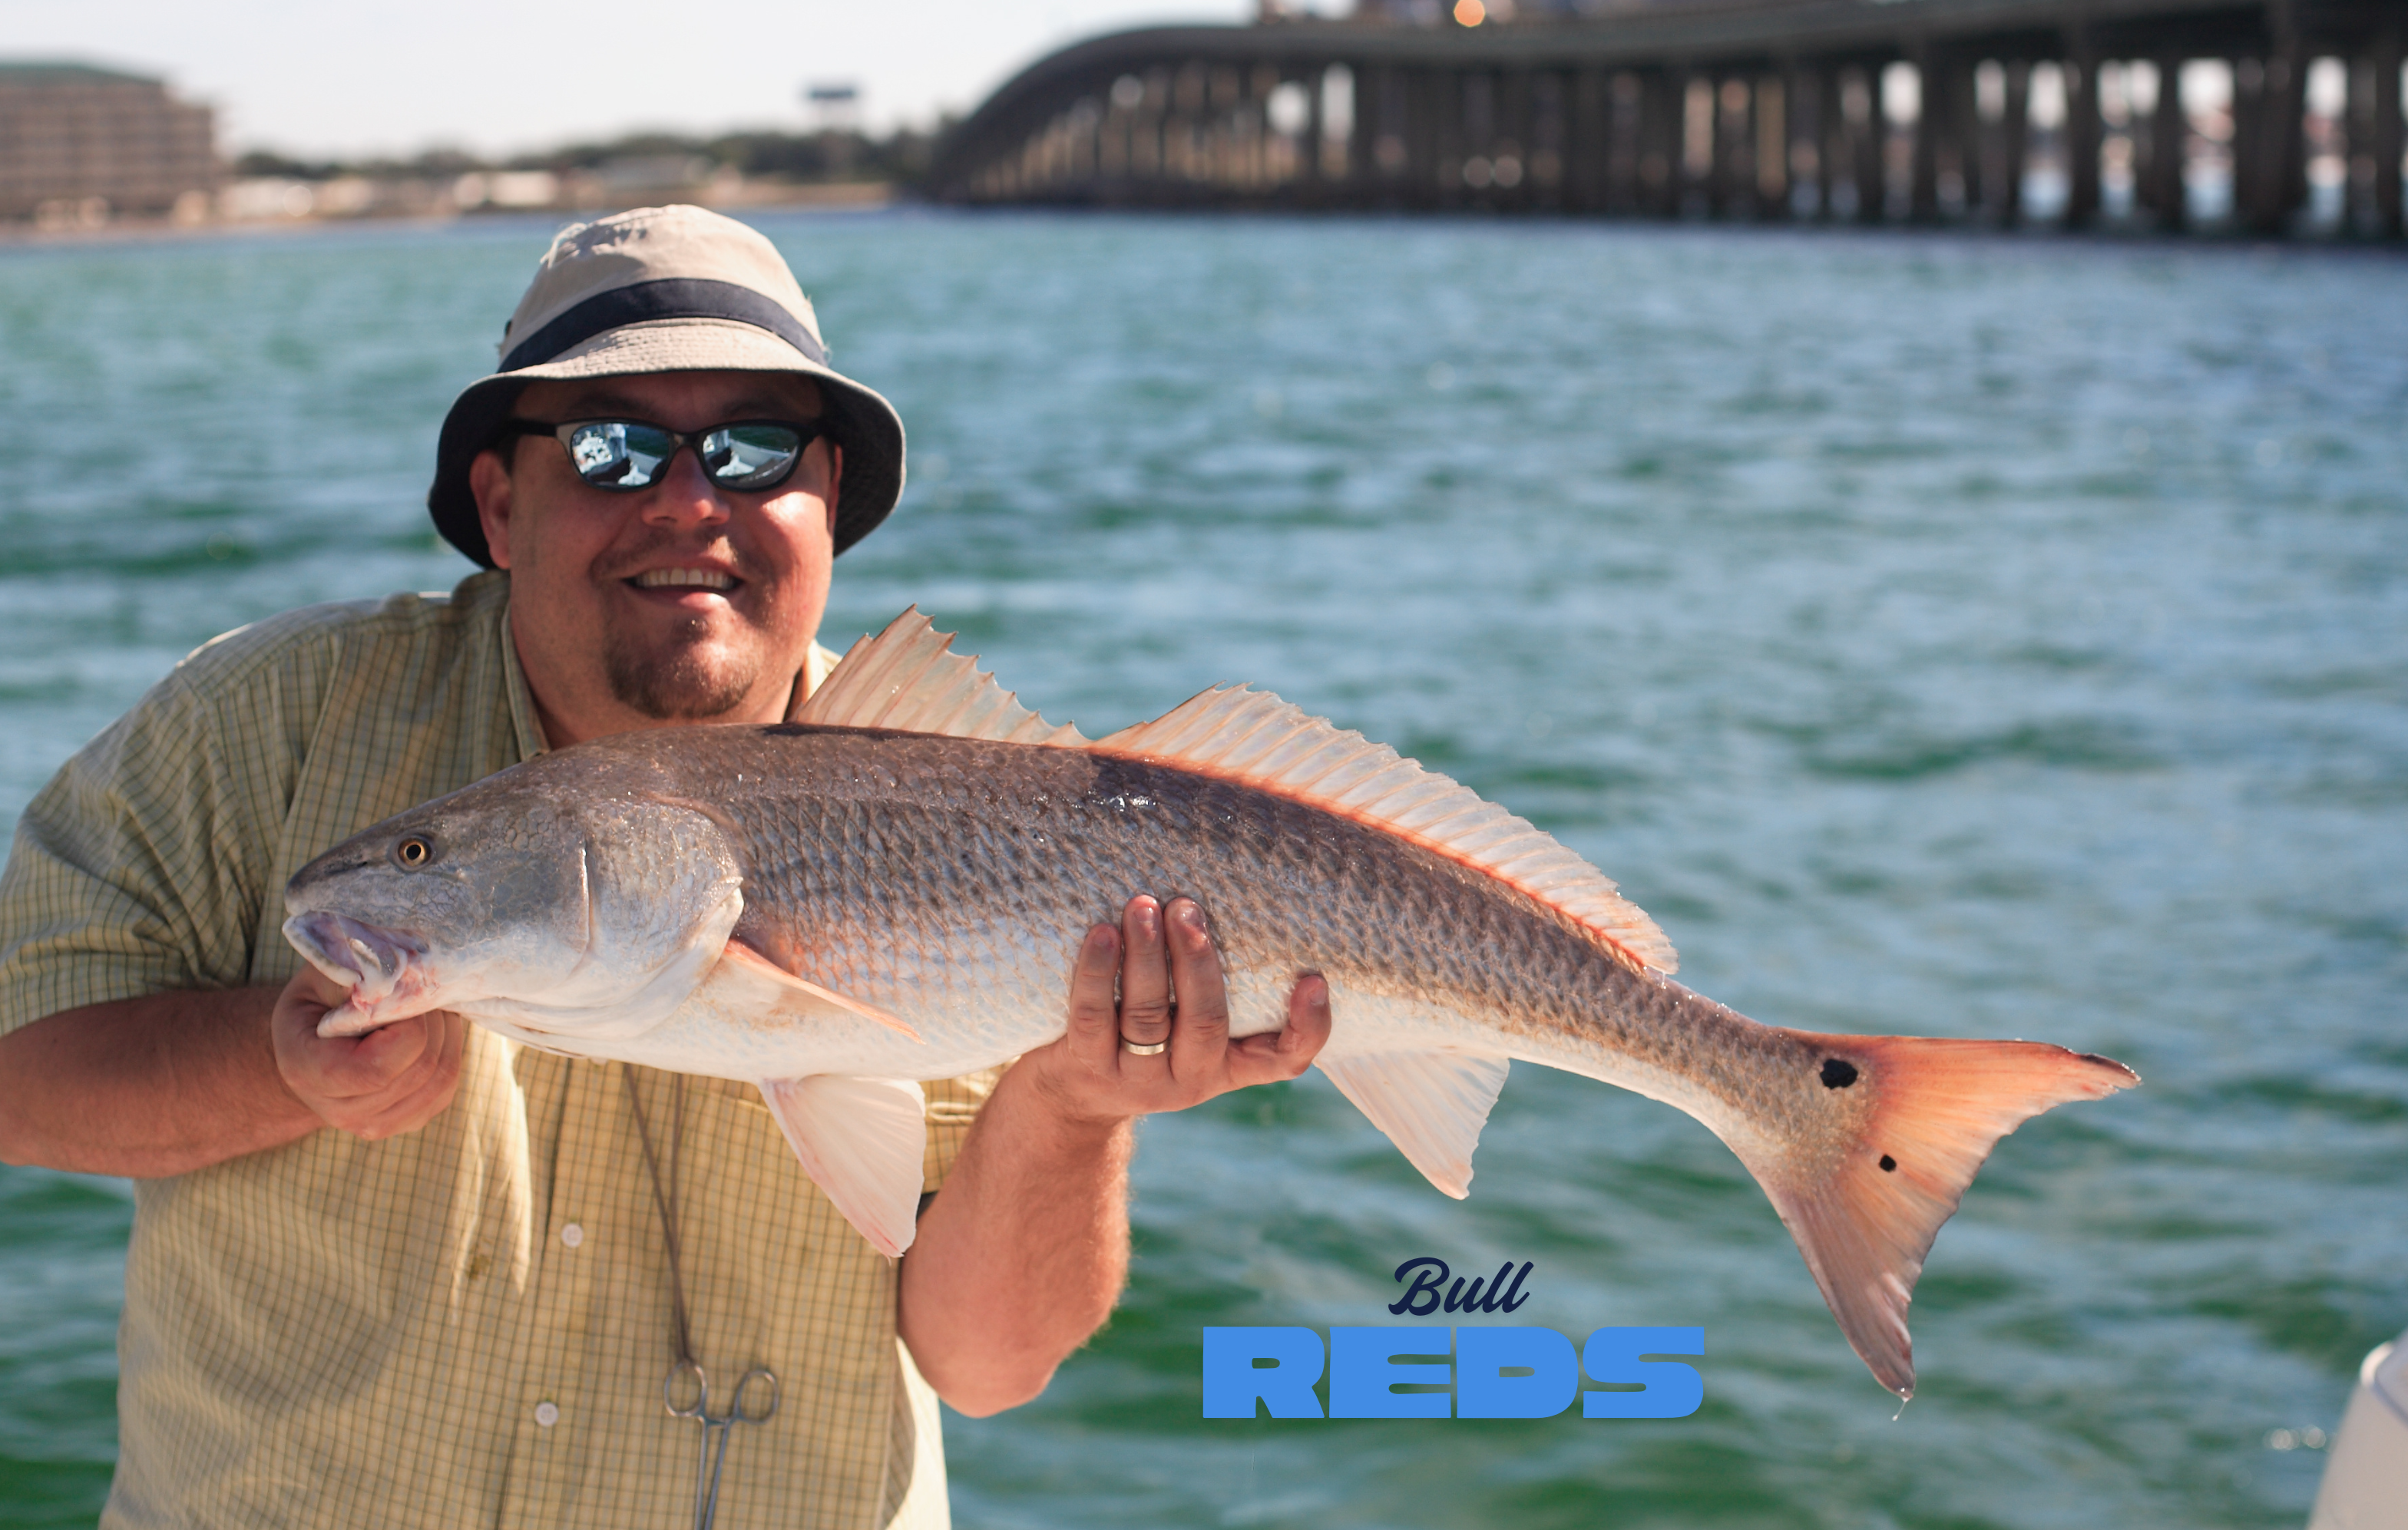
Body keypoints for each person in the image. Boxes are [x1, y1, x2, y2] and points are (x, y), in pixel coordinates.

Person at [0, 205, 1331, 1528]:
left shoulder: (970, 805)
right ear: (501, 504)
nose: (690, 501)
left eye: (755, 450)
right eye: (612, 446)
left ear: (827, 503)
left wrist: (1072, 1106)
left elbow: (988, 1366)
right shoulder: (267, 718)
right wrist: (277, 1067)